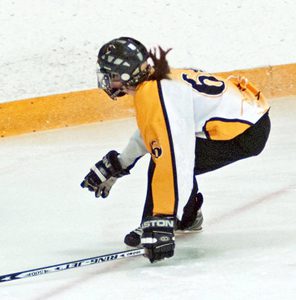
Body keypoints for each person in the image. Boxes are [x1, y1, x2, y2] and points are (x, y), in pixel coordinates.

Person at [80, 37, 270, 263]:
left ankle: (163, 221)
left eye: (109, 74)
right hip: (251, 121)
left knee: (164, 161)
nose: (105, 80)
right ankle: (186, 218)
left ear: (124, 75)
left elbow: (174, 157)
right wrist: (122, 162)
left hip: (244, 132)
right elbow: (154, 131)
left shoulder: (153, 93)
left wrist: (161, 219)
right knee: (167, 156)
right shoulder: (154, 83)